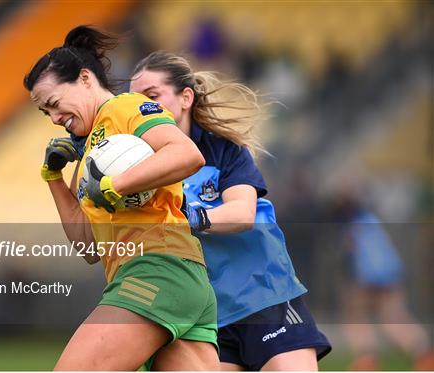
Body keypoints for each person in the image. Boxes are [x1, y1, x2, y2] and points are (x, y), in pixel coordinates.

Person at [23, 26, 220, 371]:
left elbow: (187, 154)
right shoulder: (88, 157)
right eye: (46, 113)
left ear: (85, 79)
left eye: (54, 103)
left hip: (157, 270)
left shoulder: (126, 106)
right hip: (177, 281)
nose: (54, 118)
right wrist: (53, 178)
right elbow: (86, 246)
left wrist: (119, 183)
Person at [130, 51, 332, 371]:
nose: (141, 109)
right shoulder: (135, 165)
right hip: (206, 315)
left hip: (263, 295)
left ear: (186, 98)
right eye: (134, 102)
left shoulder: (224, 149)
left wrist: (189, 218)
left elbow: (241, 213)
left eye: (151, 96)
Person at [331, 188, 434, 371]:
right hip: (390, 275)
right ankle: (424, 353)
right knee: (394, 320)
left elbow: (351, 253)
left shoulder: (350, 227)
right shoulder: (371, 220)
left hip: (366, 278)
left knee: (355, 317)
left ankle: (366, 360)